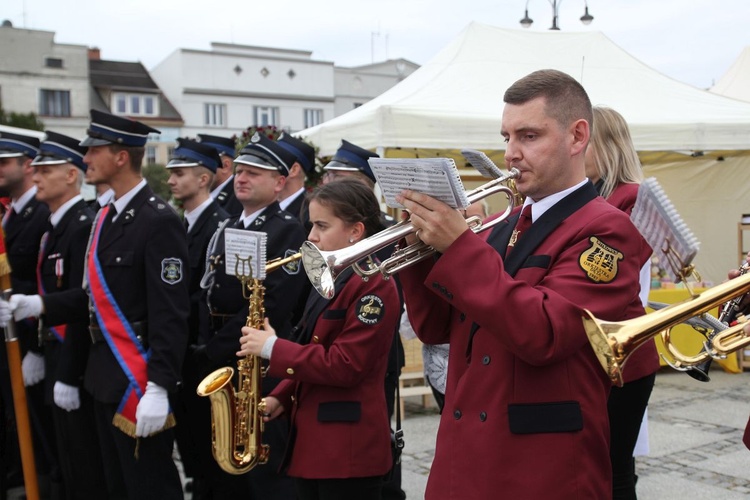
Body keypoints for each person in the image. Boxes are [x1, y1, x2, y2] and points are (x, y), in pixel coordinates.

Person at [395, 69, 649, 499]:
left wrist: (457, 247)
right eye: (507, 136)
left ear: (577, 136)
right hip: (465, 463)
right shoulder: (503, 223)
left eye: (528, 136)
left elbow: (544, 332)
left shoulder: (608, 230)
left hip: (538, 471)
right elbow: (437, 329)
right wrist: (419, 254)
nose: (510, 153)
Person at [1, 109, 191, 500]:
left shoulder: (157, 220)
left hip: (137, 380)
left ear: (121, 156)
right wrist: (36, 304)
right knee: (116, 486)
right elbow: (93, 298)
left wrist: (158, 384)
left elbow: (170, 312)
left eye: (93, 150)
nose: (84, 158)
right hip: (103, 376)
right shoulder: (107, 216)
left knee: (149, 488)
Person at [238, 178, 400, 500]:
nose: (311, 236)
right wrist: (280, 397)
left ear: (355, 231)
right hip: (315, 444)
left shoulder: (374, 283)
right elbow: (314, 347)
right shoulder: (331, 275)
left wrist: (271, 347)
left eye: (321, 226)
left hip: (347, 451)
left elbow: (345, 365)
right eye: (312, 225)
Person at [194, 132, 308, 498]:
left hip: (256, 361)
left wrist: (216, 348)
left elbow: (273, 303)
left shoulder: (286, 229)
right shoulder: (227, 225)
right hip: (218, 352)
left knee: (264, 473)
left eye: (254, 173)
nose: (241, 178)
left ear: (279, 183)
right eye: (240, 171)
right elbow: (207, 290)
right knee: (221, 473)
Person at [28, 131, 108, 499]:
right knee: (65, 458)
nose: (35, 177)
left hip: (73, 362)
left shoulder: (80, 226)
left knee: (84, 464)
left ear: (71, 175)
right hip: (56, 354)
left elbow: (82, 305)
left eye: (46, 170)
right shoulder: (55, 227)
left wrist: (69, 374)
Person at [585, 105, 659, 500]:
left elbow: (612, 269)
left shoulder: (631, 197)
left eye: (583, 142)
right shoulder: (599, 195)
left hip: (623, 356)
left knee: (613, 471)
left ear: (606, 145)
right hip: (602, 355)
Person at [165, 138, 229, 498]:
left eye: (180, 173)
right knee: (189, 443)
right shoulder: (179, 224)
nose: (171, 180)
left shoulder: (219, 226)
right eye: (171, 173)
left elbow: (205, 294)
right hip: (180, 349)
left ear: (204, 179)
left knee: (207, 448)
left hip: (201, 351)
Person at [0, 129, 59, 496]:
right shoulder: (11, 215)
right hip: (10, 337)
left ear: (28, 164)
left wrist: (37, 349)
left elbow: (44, 283)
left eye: (4, 163)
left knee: (42, 430)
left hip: (31, 340)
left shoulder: (40, 215)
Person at [198, 133, 243, 217]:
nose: (198, 170)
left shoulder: (239, 199)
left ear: (225, 166)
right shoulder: (200, 196)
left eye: (204, 164)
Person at [276, 132, 316, 223]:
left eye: (275, 162)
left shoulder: (310, 212)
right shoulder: (265, 205)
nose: (266, 168)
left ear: (293, 170)